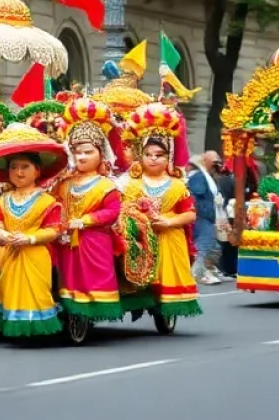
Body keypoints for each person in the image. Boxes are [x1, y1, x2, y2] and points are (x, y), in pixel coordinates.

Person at [0, 124, 65, 337]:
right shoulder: (5, 199)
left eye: (25, 166)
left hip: (35, 254)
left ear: (37, 171)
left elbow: (54, 229)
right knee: (8, 289)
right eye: (14, 167)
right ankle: (13, 326)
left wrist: (30, 239)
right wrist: (2, 235)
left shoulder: (47, 201)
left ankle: (36, 328)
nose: (18, 172)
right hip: (9, 253)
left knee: (36, 291)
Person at [120, 102, 202, 320]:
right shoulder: (131, 184)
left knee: (167, 278)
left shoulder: (177, 186)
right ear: (140, 155)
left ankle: (166, 311)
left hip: (170, 237)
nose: (154, 158)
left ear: (169, 157)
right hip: (141, 238)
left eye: (159, 154)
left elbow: (190, 214)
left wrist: (168, 222)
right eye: (148, 154)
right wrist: (140, 220)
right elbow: (125, 208)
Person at [51, 97, 125, 323]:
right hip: (66, 239)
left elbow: (112, 212)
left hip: (94, 239)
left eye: (87, 152)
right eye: (76, 152)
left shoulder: (107, 185)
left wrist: (86, 221)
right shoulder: (63, 183)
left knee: (92, 276)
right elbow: (54, 205)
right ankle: (70, 309)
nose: (81, 156)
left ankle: (93, 309)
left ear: (101, 154)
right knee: (66, 277)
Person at [187, 154, 222, 285]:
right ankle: (195, 274)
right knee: (204, 244)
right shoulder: (199, 177)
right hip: (203, 215)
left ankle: (207, 270)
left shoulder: (199, 176)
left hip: (205, 215)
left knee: (214, 246)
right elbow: (197, 194)